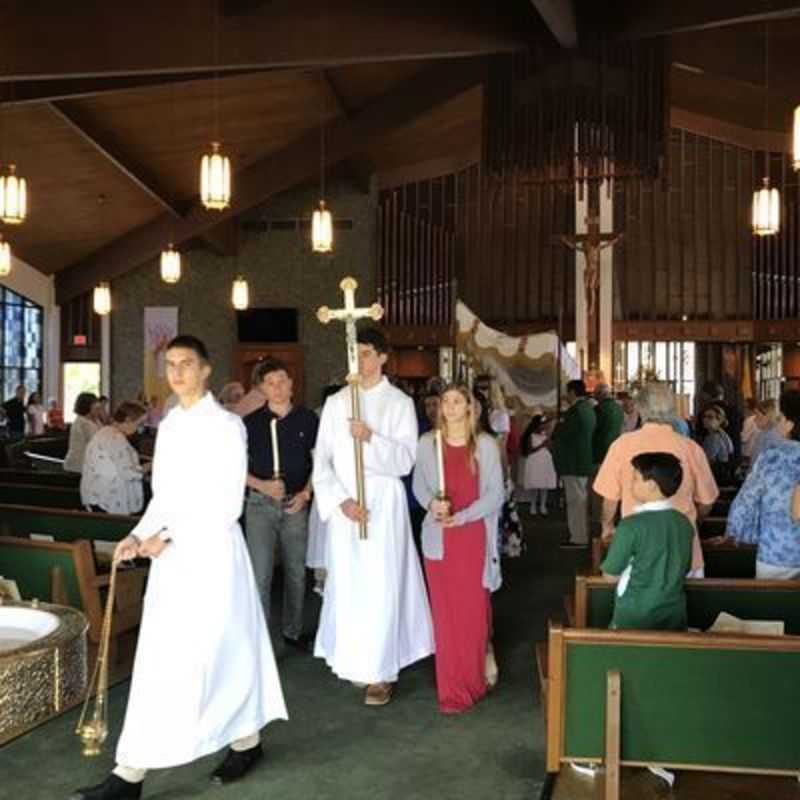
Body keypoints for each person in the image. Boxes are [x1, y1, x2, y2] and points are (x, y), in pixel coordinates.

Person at [72, 335, 287, 800]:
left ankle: (246, 741)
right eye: (170, 364)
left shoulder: (226, 426)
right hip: (172, 560)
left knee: (224, 653)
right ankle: (129, 774)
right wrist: (136, 535)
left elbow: (227, 504)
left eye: (186, 364)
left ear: (205, 370)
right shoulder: (169, 426)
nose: (177, 372)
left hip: (212, 557)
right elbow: (164, 497)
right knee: (164, 660)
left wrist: (165, 538)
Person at [312, 326, 433, 706]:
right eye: (355, 353)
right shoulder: (336, 403)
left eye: (366, 353)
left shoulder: (397, 402)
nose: (360, 360)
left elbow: (404, 459)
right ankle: (353, 658)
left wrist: (370, 439)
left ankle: (381, 670)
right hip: (347, 505)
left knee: (381, 583)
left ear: (382, 357)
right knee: (349, 582)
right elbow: (322, 459)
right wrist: (340, 501)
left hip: (383, 503)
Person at [413, 383, 504, 712]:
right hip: (438, 539)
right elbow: (419, 484)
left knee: (472, 611)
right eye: (444, 402)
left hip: (471, 536)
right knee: (446, 615)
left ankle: (473, 677)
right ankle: (450, 687)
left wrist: (463, 516)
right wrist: (431, 505)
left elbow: (496, 494)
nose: (449, 407)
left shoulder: (485, 445)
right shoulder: (427, 443)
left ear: (470, 407)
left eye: (456, 401)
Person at [594, 382, 719, 576]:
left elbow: (610, 499)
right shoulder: (691, 448)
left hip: (636, 547)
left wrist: (607, 527)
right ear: (672, 409)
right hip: (682, 549)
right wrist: (693, 521)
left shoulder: (621, 445)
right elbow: (707, 500)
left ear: (640, 408)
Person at [243, 358, 318, 650]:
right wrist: (262, 485)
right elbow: (235, 468)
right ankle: (261, 638)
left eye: (282, 381)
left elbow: (320, 462)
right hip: (260, 506)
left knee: (296, 573)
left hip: (295, 504)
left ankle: (293, 629)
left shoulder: (307, 419)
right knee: (260, 575)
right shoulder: (249, 424)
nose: (277, 388)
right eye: (270, 383)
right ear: (262, 388)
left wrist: (306, 493)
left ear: (291, 383)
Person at [601, 452, 694, 630]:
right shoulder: (684, 523)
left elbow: (610, 576)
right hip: (674, 611)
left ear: (651, 485)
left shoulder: (630, 526)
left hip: (634, 612)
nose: (630, 484)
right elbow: (686, 567)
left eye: (635, 478)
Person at [726, 390, 800, 579]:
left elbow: (746, 500)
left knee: (774, 606)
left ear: (790, 423)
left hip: (776, 552)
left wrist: (734, 534)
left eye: (781, 418)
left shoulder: (772, 456)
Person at [80, 402, 149, 514]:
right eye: (139, 424)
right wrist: (152, 465)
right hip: (108, 499)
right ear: (127, 420)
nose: (138, 429)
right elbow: (128, 472)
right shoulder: (116, 437)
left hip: (97, 496)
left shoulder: (105, 432)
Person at [552, 379, 596, 547]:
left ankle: (578, 538)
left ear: (572, 392)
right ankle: (580, 535)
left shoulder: (574, 412)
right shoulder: (588, 410)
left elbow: (561, 433)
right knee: (580, 501)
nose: (566, 395)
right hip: (582, 461)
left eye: (567, 392)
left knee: (575, 503)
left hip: (573, 462)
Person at [521, 414, 556, 516]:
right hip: (535, 462)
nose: (544, 426)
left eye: (544, 424)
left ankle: (543, 506)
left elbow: (550, 449)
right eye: (542, 424)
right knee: (535, 485)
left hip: (545, 462)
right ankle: (533, 505)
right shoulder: (530, 436)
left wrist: (549, 445)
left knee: (544, 485)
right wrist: (542, 445)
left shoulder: (545, 435)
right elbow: (529, 451)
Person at [63, 393, 102, 473]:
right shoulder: (82, 422)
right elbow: (99, 442)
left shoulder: (94, 420)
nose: (99, 411)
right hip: (78, 466)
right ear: (88, 407)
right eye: (96, 408)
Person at [701, 405, 734, 483]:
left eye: (710, 417)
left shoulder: (714, 437)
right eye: (704, 416)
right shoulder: (722, 433)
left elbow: (707, 460)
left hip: (716, 477)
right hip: (723, 475)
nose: (705, 419)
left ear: (719, 420)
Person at [593, 384, 623, 467]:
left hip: (600, 449)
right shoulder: (619, 408)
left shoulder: (599, 408)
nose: (594, 397)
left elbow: (593, 428)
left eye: (595, 394)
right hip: (614, 447)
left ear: (601, 394)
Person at [750, 398, 784, 466]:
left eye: (757, 415)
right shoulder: (763, 433)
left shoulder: (773, 436)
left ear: (767, 416)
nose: (754, 419)